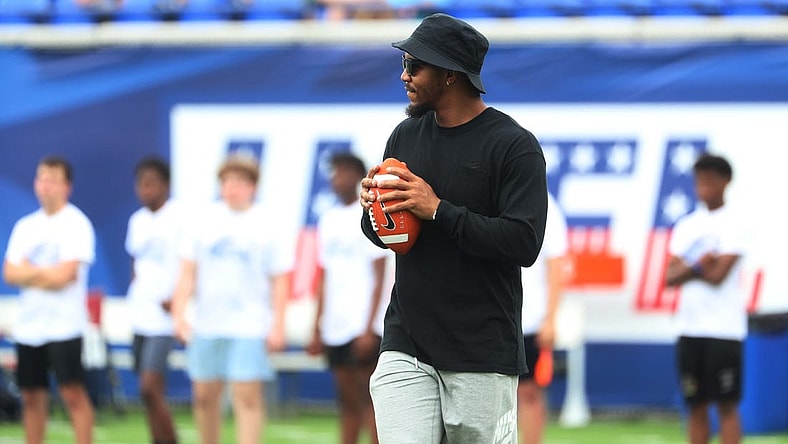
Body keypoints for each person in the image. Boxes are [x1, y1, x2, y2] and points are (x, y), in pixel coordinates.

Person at [359, 13, 548, 444]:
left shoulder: (514, 146)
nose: (404, 75)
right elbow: (389, 237)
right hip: (407, 344)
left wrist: (438, 210)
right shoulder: (404, 136)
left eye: (414, 65)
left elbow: (523, 243)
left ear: (449, 75)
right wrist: (375, 210)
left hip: (480, 350)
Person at [171, 153, 291, 444]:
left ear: (253, 186)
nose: (233, 187)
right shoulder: (203, 221)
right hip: (207, 324)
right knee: (203, 398)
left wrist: (277, 326)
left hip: (249, 325)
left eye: (240, 181)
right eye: (227, 181)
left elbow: (280, 280)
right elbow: (187, 273)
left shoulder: (267, 223)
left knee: (247, 397)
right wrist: (179, 315)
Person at [2, 156, 96, 444]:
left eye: (53, 180)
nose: (46, 185)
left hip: (64, 325)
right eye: (42, 178)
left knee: (72, 393)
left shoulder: (77, 224)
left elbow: (65, 276)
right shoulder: (25, 227)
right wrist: (45, 274)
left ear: (66, 186)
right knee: (31, 395)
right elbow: (9, 272)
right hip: (30, 325)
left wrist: (30, 271)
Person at [307, 152, 390, 444]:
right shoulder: (328, 220)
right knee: (347, 402)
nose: (335, 179)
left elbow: (380, 275)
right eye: (333, 173)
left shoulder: (370, 213)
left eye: (342, 173)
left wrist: (369, 328)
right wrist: (317, 325)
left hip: (362, 326)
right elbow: (325, 276)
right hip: (336, 326)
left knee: (372, 401)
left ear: (357, 177)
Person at [665, 153, 746, 444]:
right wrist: (701, 263)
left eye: (710, 180)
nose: (704, 186)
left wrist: (690, 267)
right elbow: (669, 277)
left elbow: (719, 276)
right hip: (689, 328)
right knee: (695, 404)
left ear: (725, 182)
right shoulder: (686, 225)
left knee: (726, 405)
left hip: (724, 330)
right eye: (700, 180)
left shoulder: (734, 224)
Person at [125, 156, 181, 444]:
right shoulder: (137, 221)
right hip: (140, 315)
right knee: (147, 393)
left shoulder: (179, 219)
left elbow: (191, 264)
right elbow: (136, 263)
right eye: (141, 184)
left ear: (166, 185)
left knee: (150, 387)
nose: (145, 190)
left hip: (164, 319)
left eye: (151, 184)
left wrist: (179, 298)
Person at [517, 192, 568, 444]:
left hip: (529, 317)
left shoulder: (546, 205)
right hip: (490, 317)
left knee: (528, 391)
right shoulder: (488, 191)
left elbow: (556, 263)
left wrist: (550, 318)